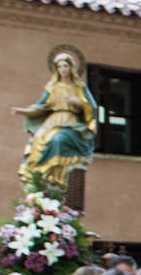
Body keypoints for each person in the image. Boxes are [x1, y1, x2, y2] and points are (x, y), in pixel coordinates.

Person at [13, 51, 97, 189]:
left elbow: (91, 108)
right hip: (53, 120)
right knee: (37, 141)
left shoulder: (79, 87)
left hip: (71, 122)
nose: (63, 69)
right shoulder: (52, 87)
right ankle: (38, 178)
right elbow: (40, 106)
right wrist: (22, 111)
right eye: (60, 67)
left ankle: (57, 177)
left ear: (71, 68)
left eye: (65, 66)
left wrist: (79, 103)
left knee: (58, 138)